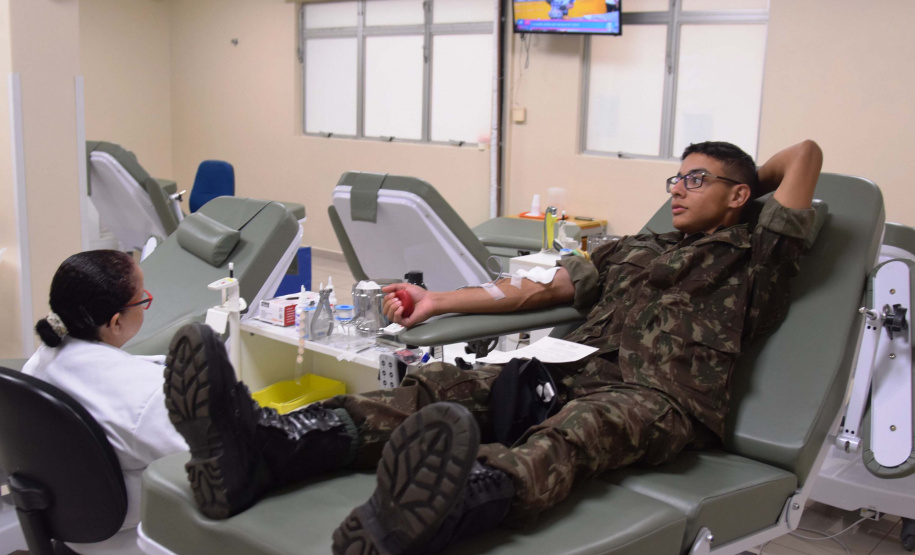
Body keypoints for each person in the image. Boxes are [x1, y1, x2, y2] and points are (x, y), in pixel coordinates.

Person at [163, 139, 822, 555]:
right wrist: (437, 301)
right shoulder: (634, 247)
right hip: (568, 368)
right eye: (673, 179)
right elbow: (534, 291)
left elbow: (805, 154)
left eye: (694, 179)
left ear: (739, 196)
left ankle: (450, 503)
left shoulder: (756, 254)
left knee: (575, 433)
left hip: (656, 397)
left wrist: (743, 182)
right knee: (439, 386)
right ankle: (266, 449)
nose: (675, 189)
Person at [23, 250, 188, 555]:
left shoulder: (37, 365)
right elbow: (204, 466)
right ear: (115, 322)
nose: (146, 304)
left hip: (70, 527)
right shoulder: (146, 396)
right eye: (143, 299)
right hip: (130, 541)